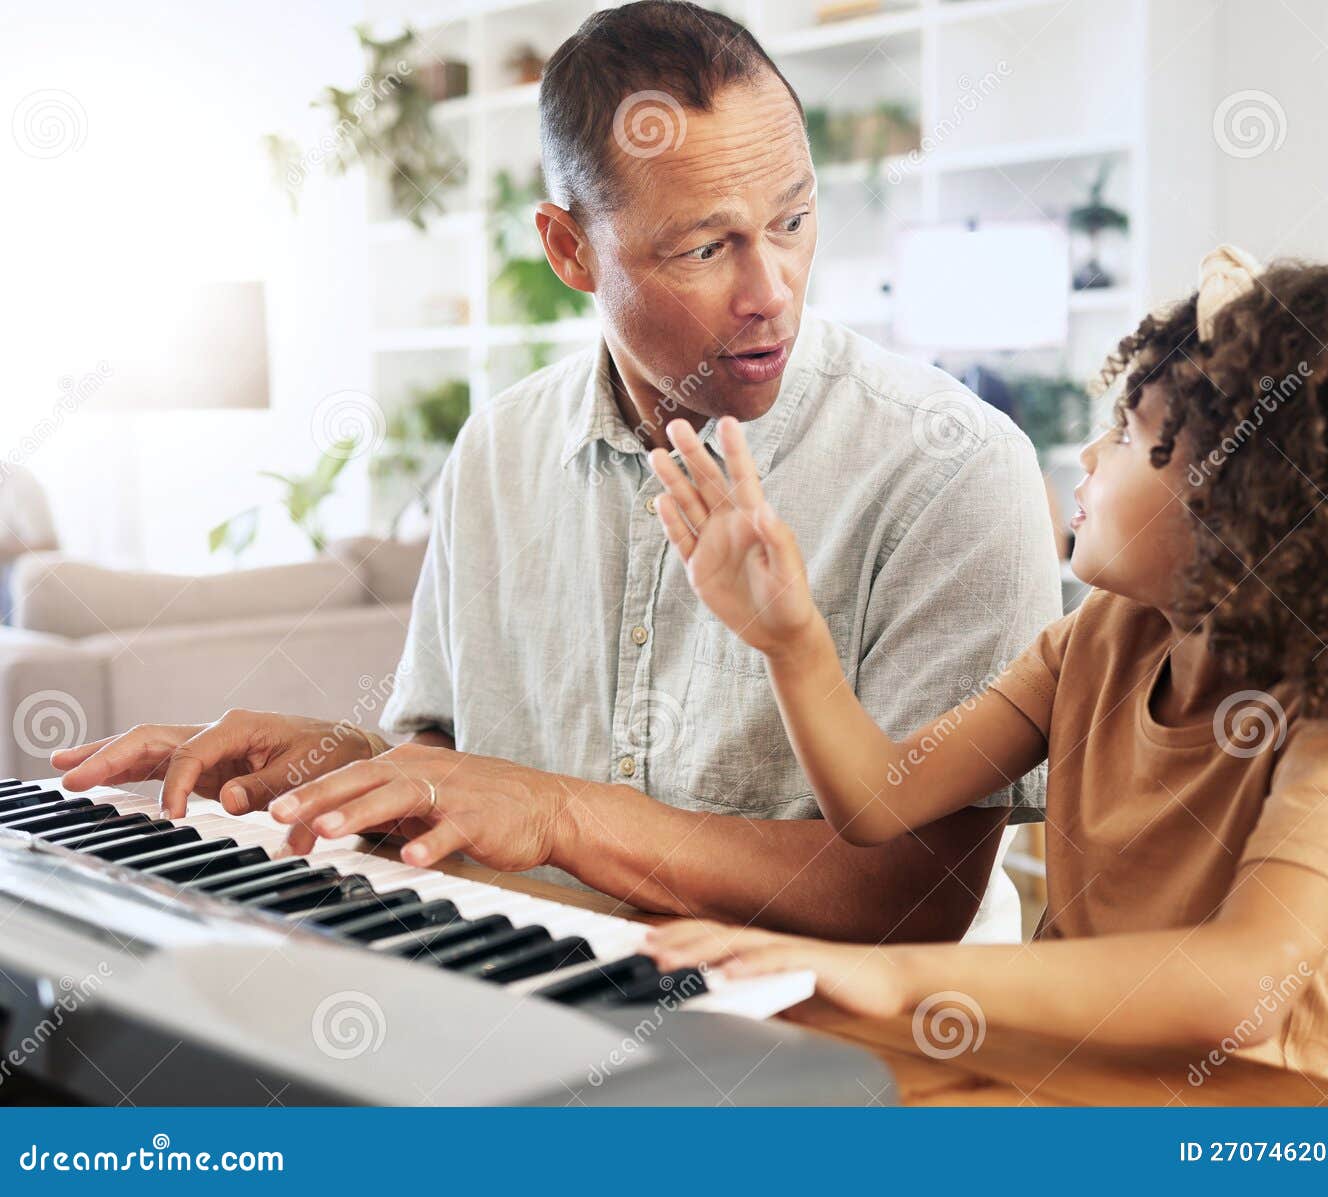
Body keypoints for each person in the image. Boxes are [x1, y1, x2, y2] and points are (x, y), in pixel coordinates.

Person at [50, 1, 1061, 944]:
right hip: (531, 975)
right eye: (707, 247)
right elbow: (460, 774)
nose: (771, 292)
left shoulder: (953, 468)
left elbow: (912, 898)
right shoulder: (496, 450)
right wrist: (333, 770)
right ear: (569, 249)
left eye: (792, 223)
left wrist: (567, 814)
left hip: (836, 1041)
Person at [642, 249, 1328, 1079]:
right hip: (1057, 1079)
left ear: (1257, 501)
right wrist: (791, 638)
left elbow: (1233, 978)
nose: (1087, 456)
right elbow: (879, 799)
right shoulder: (1098, 637)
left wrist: (896, 974)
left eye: (1129, 433)